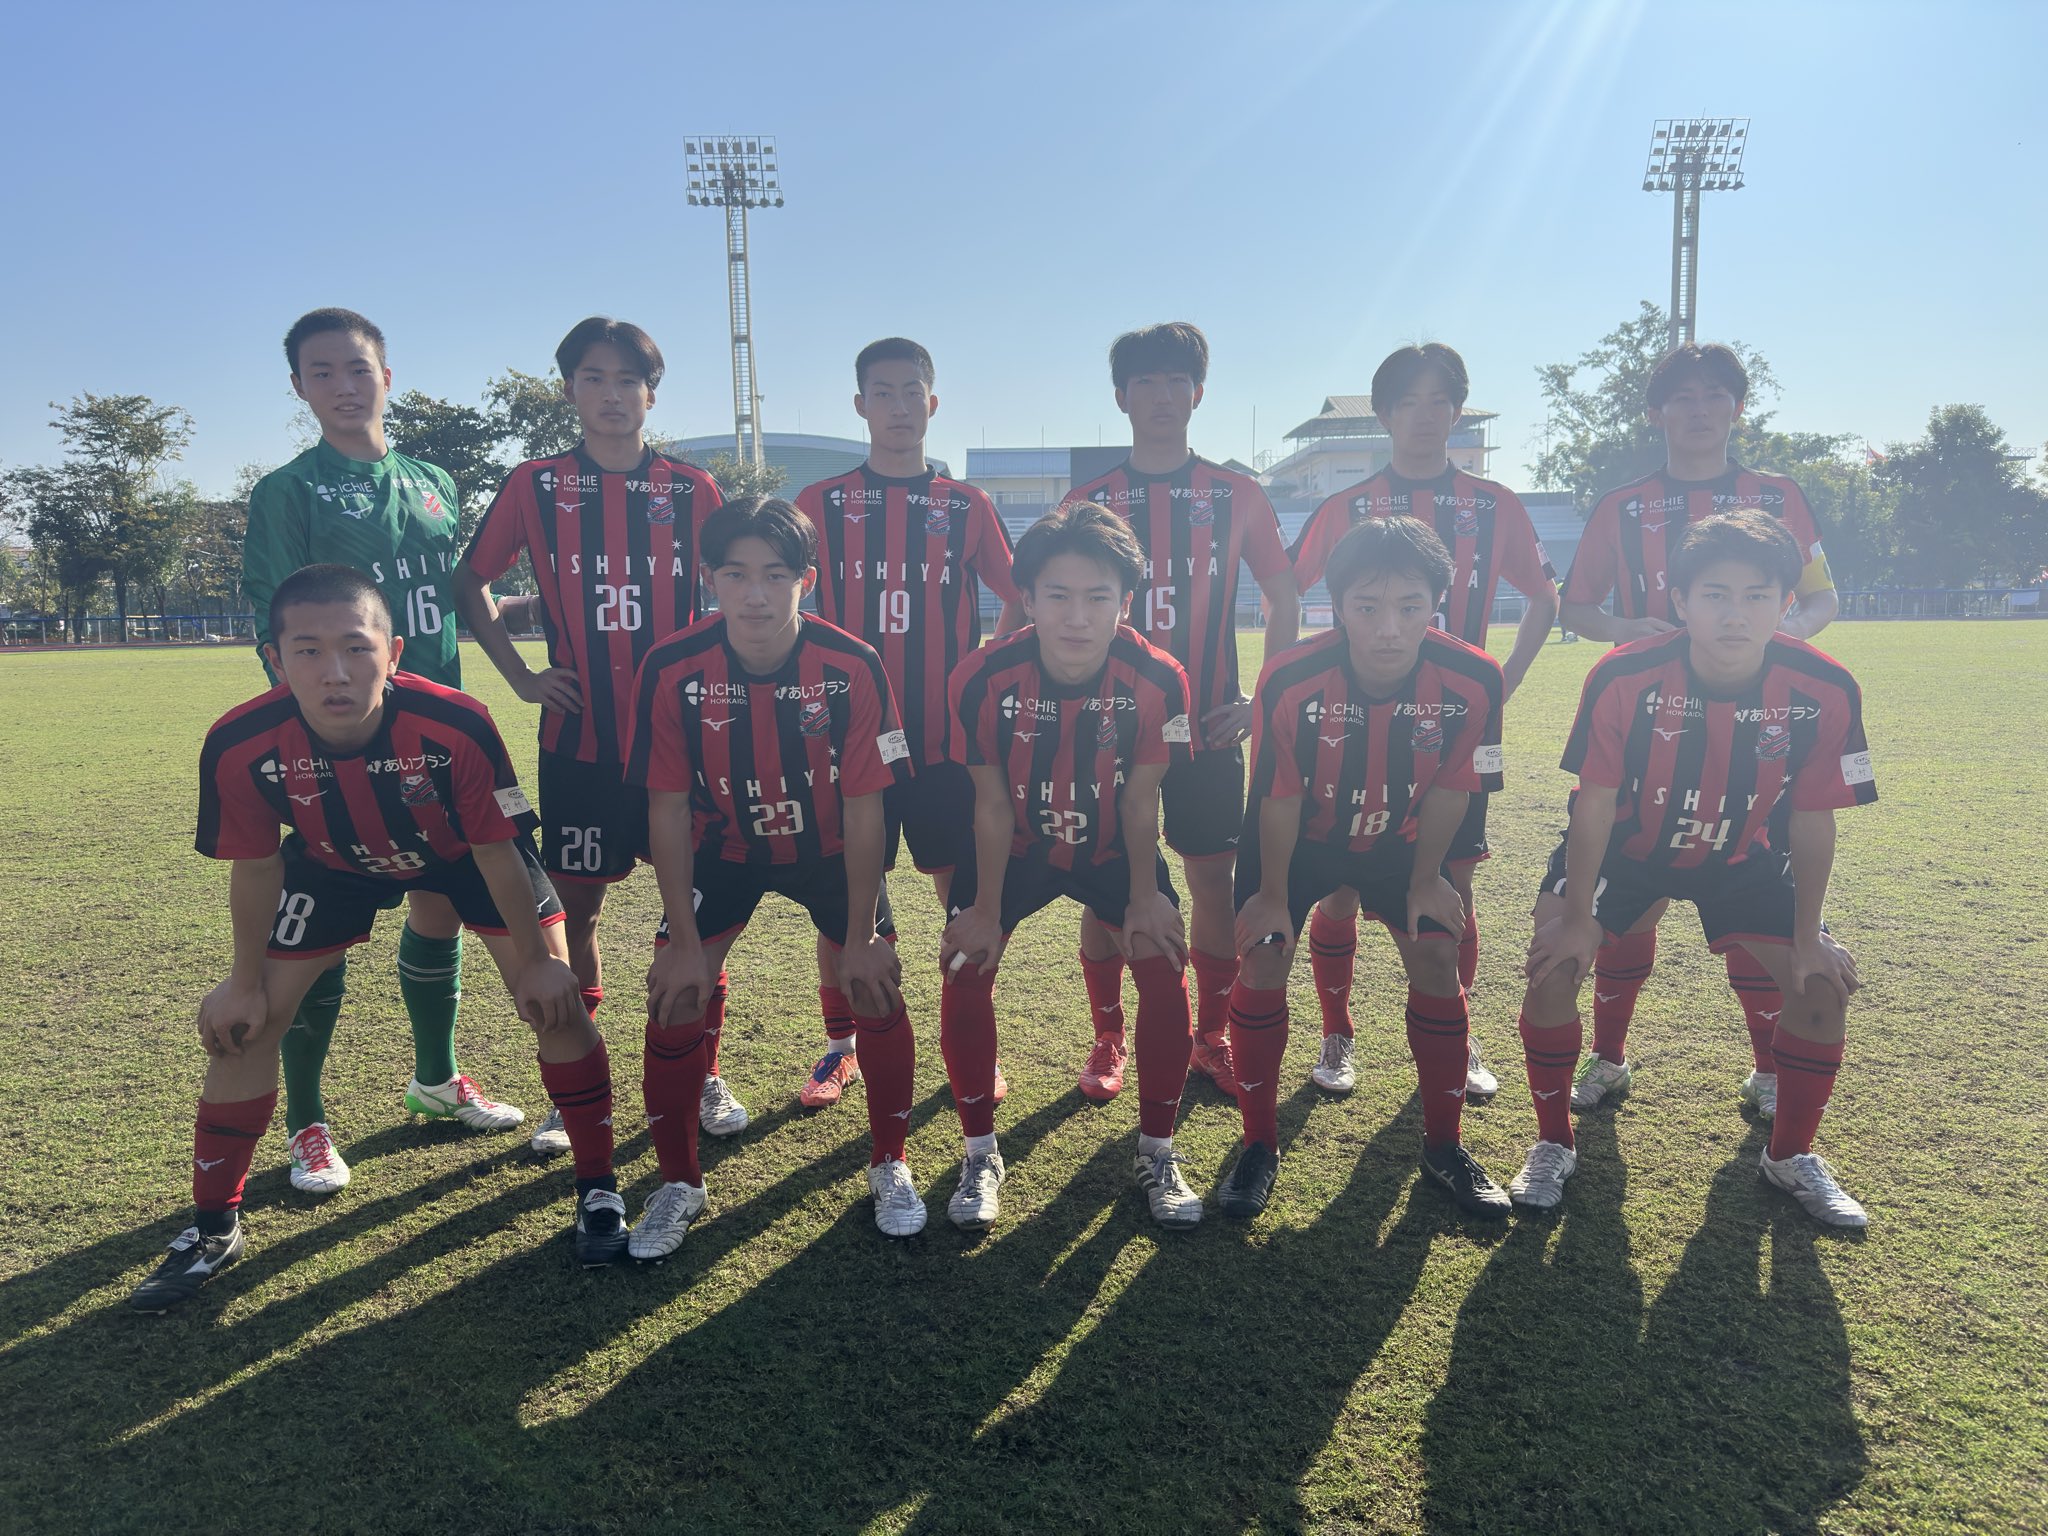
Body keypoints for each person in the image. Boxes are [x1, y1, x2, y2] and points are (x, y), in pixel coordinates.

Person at [130, 565, 613, 1312]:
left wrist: (540, 966)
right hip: (333, 864)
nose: (335, 672)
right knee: (243, 1029)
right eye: (309, 650)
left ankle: (598, 1190)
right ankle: (213, 1227)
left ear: (394, 654)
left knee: (556, 1004)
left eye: (357, 648)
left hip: (466, 857)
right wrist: (243, 980)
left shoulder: (457, 723)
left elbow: (495, 849)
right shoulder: (239, 742)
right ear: (274, 658)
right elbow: (257, 866)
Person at [1509, 511, 1875, 1228]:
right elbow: (1594, 802)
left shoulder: (1825, 686)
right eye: (1715, 594)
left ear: (1786, 602)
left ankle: (1789, 1155)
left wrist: (1808, 936)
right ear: (1679, 600)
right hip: (1627, 852)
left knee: (1821, 986)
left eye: (1757, 596)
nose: (1735, 614)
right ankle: (1554, 1142)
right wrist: (1578, 919)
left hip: (1745, 855)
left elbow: (1812, 817)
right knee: (1553, 967)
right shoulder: (1623, 673)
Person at [241, 308, 521, 1202]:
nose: (343, 385)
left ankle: (436, 1079)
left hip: (437, 739)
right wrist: (315, 734)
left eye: (357, 368)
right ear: (299, 388)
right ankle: (307, 1121)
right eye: (321, 372)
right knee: (320, 933)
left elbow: (459, 597)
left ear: (387, 376)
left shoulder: (434, 482)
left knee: (440, 904)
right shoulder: (288, 493)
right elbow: (275, 630)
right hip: (340, 745)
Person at [454, 317, 731, 1155]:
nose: (612, 395)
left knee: (698, 909)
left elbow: (740, 584)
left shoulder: (692, 489)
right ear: (569, 388)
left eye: (627, 380)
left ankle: (703, 1070)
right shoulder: (535, 484)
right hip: (579, 742)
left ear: (652, 393)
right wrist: (521, 677)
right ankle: (580, 1072)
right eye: (594, 378)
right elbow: (470, 582)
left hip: (681, 744)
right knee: (577, 910)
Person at [622, 498, 924, 1250]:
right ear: (709, 579)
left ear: (806, 581)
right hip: (722, 848)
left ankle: (890, 1161)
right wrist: (683, 942)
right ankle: (678, 1184)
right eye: (736, 574)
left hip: (829, 849)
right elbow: (666, 809)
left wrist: (862, 936)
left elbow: (866, 808)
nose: (755, 594)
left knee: (874, 984)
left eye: (775, 575)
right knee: (676, 994)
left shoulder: (851, 664)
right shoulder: (671, 666)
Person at [1555, 343, 1840, 1120]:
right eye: (1682, 396)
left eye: (1715, 394)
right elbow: (1575, 607)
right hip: (1648, 721)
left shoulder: (1778, 496)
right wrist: (1625, 628)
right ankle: (1608, 1057)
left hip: (1760, 723)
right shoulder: (1621, 507)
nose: (1700, 409)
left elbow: (1822, 597)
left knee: (1753, 895)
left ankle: (1769, 1069)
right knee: (1632, 898)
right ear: (1657, 412)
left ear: (1738, 408)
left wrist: (1785, 636)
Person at [1220, 517, 1512, 1219]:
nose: (1388, 628)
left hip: (1402, 842)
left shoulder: (1475, 677)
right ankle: (1258, 1144)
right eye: (1368, 606)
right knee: (1264, 955)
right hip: (1301, 842)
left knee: (1437, 957)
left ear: (1437, 603)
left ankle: (1443, 1146)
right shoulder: (1290, 676)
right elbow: (1278, 797)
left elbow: (1452, 787)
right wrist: (1270, 894)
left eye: (1410, 607)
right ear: (1338, 605)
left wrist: (1426, 877)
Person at [1287, 343, 1558, 1100]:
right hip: (1350, 720)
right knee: (1339, 889)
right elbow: (1285, 587)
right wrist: (1278, 689)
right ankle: (1337, 1033)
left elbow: (1545, 596)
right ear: (1384, 414)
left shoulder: (1494, 505)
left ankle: (1457, 1038)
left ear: (1458, 412)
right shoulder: (1346, 508)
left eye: (1440, 401)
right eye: (1408, 401)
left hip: (1457, 728)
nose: (1424, 416)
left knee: (1452, 884)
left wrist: (1505, 683)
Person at [940, 502, 1201, 1232]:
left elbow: (1142, 799)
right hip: (1019, 845)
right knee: (964, 965)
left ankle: (1158, 1151)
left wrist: (1145, 896)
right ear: (1026, 599)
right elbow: (991, 804)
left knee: (1161, 962)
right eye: (1058, 595)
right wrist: (984, 910)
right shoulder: (982, 676)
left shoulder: (1159, 677)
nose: (1078, 617)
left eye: (1098, 597)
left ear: (1126, 602)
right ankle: (979, 1154)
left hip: (1114, 849)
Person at [1060, 323, 1299, 1103]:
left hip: (1207, 729)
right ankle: (1108, 1036)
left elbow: (1285, 597)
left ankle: (1211, 1037)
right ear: (1121, 397)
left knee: (1213, 883)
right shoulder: (1090, 502)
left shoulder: (1237, 494)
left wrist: (1260, 698)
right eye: (1146, 382)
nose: (1161, 396)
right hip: (1108, 730)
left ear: (1197, 393)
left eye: (1175, 382)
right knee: (1105, 884)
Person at [791, 337, 1022, 1112]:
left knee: (963, 895)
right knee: (843, 900)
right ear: (861, 405)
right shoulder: (820, 502)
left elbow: (1016, 595)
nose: (897, 406)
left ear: (933, 402)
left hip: (943, 741)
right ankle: (841, 1046)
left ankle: (976, 1043)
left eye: (911, 392)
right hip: (844, 738)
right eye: (882, 392)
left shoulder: (966, 505)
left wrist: (983, 663)